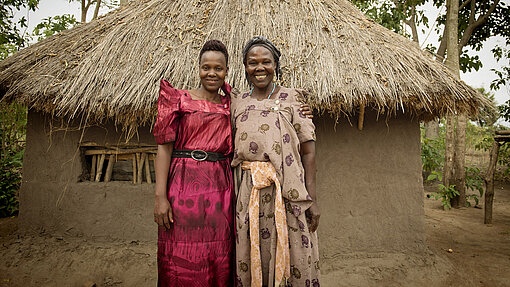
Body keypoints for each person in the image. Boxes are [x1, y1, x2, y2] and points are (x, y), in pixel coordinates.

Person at [231, 36, 321, 287]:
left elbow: (308, 151)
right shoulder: (237, 103)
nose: (259, 68)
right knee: (253, 254)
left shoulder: (293, 99)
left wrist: (312, 199)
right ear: (245, 67)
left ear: (276, 65)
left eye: (266, 62)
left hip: (288, 194)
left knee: (294, 256)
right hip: (249, 196)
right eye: (252, 63)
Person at [153, 40, 234, 286]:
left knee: (217, 255)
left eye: (218, 68)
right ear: (198, 68)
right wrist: (160, 197)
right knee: (178, 257)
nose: (212, 73)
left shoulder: (232, 105)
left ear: (226, 71)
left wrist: (299, 108)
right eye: (206, 67)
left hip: (220, 194)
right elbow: (164, 149)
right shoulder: (178, 100)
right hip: (181, 190)